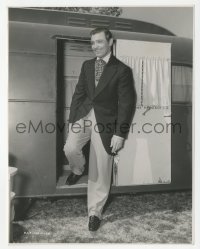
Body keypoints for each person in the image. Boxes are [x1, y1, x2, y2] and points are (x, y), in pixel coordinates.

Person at [63, 27, 136, 231]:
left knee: (101, 167)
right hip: (84, 115)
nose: (95, 46)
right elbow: (79, 93)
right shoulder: (87, 65)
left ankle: (95, 212)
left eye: (99, 42)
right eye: (92, 43)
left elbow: (126, 104)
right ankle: (78, 169)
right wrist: (72, 120)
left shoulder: (121, 70)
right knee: (70, 148)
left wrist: (120, 133)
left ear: (110, 42)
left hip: (106, 122)